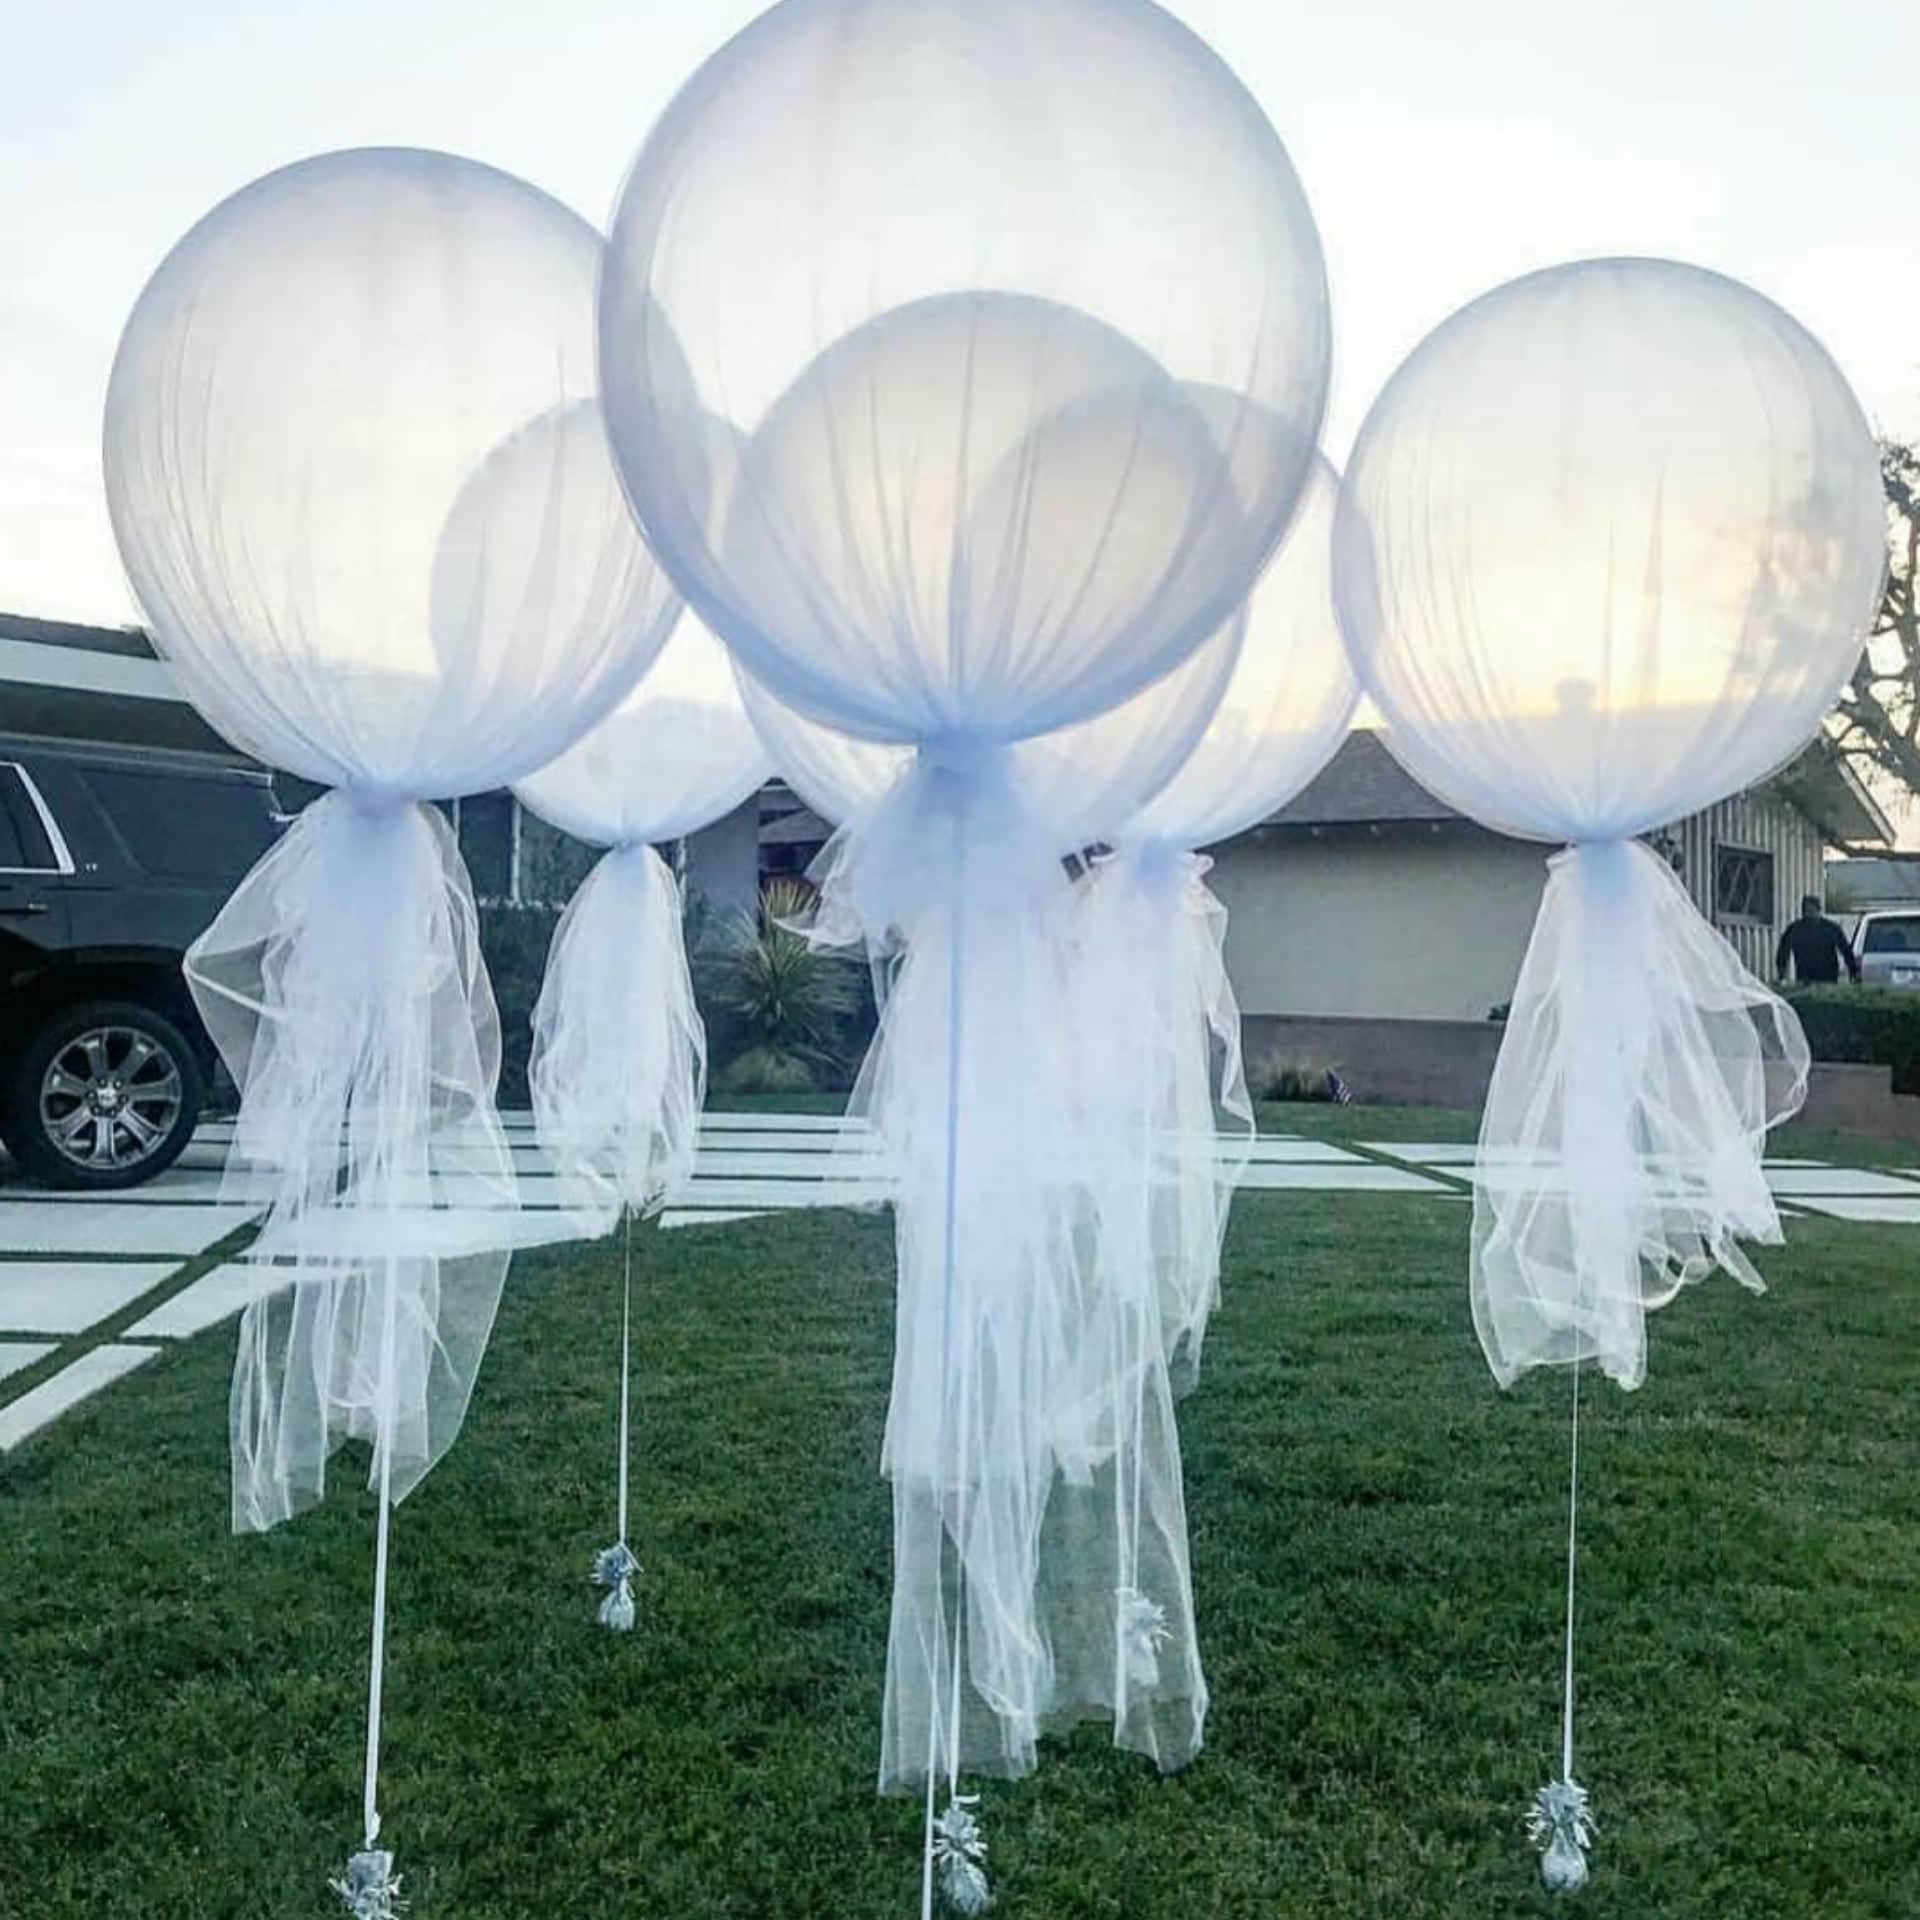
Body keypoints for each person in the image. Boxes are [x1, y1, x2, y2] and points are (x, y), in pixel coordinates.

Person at [1775, 894, 1861, 985]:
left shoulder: (1831, 928)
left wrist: (1854, 971)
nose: (1809, 914)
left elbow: (1846, 950)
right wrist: (1782, 973)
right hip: (1805, 977)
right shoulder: (1795, 929)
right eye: (1806, 911)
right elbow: (1783, 952)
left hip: (1829, 977)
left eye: (1812, 910)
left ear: (1818, 910)